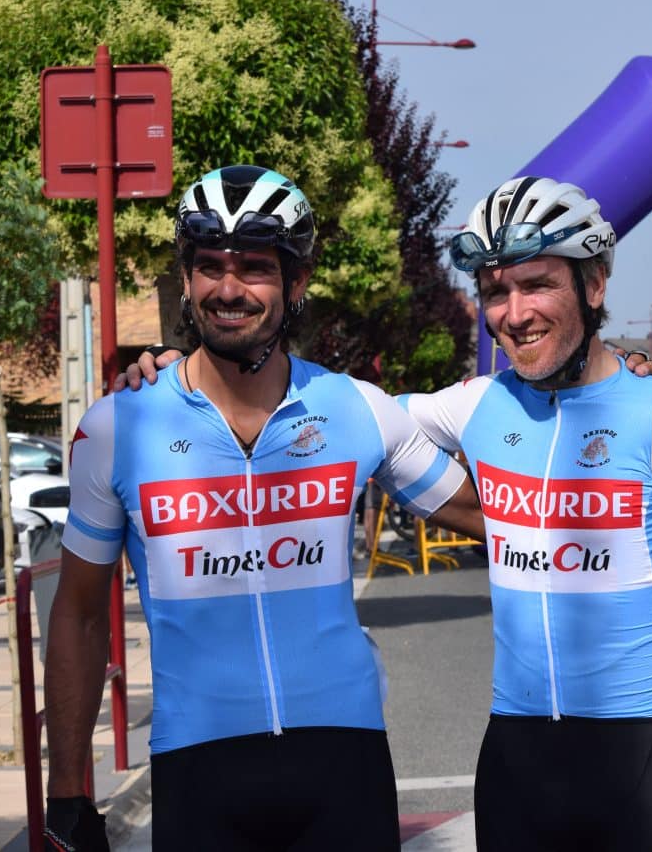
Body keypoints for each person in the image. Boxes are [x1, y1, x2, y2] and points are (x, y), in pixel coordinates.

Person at [44, 166, 484, 852]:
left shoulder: (355, 408)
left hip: (343, 759)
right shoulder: (117, 427)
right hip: (198, 765)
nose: (228, 288)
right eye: (210, 266)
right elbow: (75, 612)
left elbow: (495, 512)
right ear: (186, 281)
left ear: (296, 283)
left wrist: (597, 382)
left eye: (254, 267)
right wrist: (67, 793)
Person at [404, 176, 652, 852]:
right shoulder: (474, 404)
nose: (513, 312)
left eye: (537, 285)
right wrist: (179, 374)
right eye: (495, 293)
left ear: (594, 285)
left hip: (645, 757)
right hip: (515, 760)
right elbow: (344, 420)